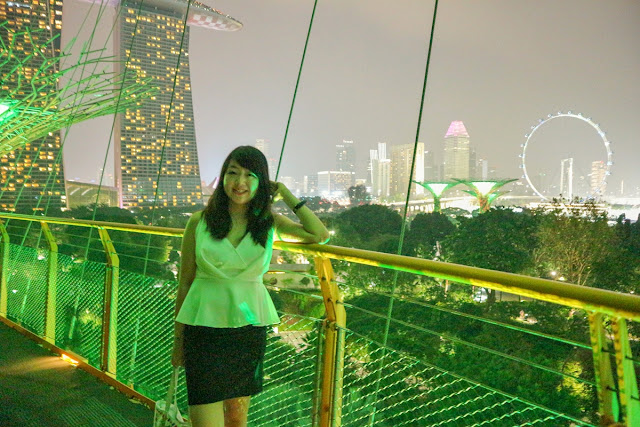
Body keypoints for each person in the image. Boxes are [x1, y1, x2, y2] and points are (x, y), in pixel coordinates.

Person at [171, 146, 329, 427]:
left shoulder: (268, 224)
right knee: (204, 420)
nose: (239, 182)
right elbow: (185, 283)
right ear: (223, 178)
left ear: (262, 183)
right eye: (233, 173)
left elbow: (320, 235)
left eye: (250, 175)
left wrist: (287, 195)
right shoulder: (199, 222)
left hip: (247, 330)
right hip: (203, 331)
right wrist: (178, 342)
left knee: (236, 420)